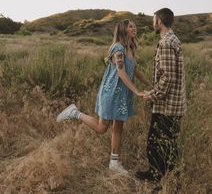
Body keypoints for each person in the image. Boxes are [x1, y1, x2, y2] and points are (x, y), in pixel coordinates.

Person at [56, 19, 151, 175]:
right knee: (102, 128)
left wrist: (149, 84)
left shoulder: (130, 48)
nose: (135, 28)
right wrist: (137, 91)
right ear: (123, 30)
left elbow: (133, 70)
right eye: (131, 26)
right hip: (112, 92)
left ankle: (114, 163)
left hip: (123, 94)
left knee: (119, 127)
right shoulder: (118, 48)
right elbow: (121, 72)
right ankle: (74, 113)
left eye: (135, 26)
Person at [135, 8, 187, 187]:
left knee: (157, 144)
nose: (152, 22)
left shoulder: (166, 43)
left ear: (159, 22)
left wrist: (152, 95)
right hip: (173, 104)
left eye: (153, 19)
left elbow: (167, 77)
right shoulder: (173, 40)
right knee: (168, 145)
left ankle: (160, 179)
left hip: (167, 105)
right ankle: (164, 179)